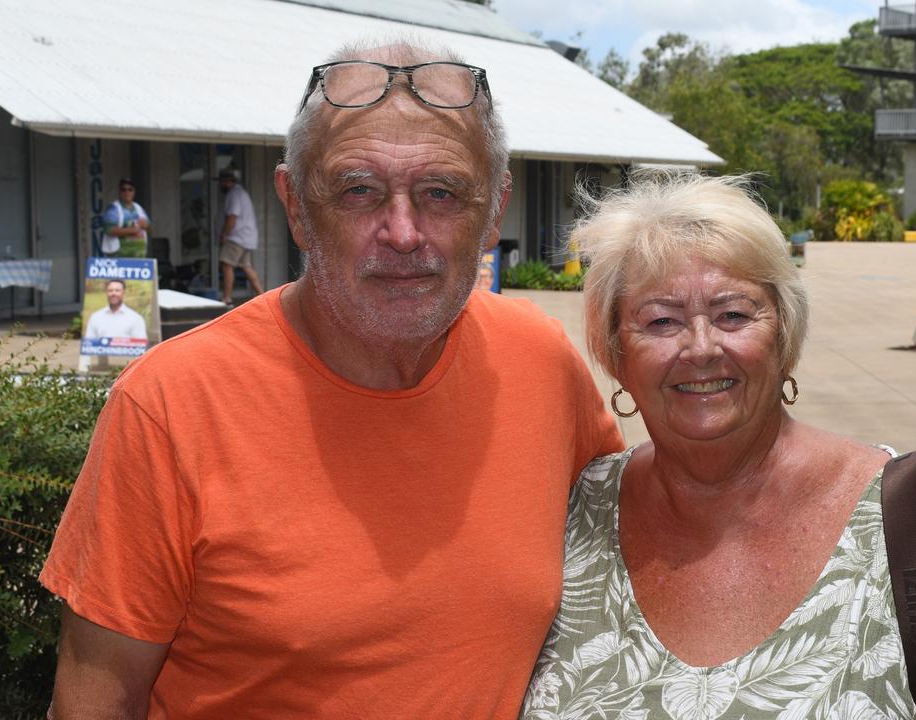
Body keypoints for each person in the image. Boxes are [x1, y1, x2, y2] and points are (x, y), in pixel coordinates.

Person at [41, 39, 623, 719]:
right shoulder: (172, 404)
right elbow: (93, 702)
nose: (403, 232)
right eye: (358, 191)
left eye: (441, 193)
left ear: (494, 209)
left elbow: (645, 547)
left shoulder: (540, 362)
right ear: (296, 205)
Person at [523, 173, 916, 719]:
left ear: (785, 334)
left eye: (733, 314)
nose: (701, 348)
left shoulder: (914, 517)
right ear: (615, 353)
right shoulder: (574, 510)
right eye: (661, 320)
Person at [217, 167, 265, 305]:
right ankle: (262, 294)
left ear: (228, 181)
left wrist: (225, 234)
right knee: (245, 265)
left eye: (222, 182)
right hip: (247, 237)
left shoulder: (234, 194)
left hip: (237, 237)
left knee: (227, 264)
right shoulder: (242, 193)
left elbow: (232, 217)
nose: (221, 185)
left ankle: (227, 298)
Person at [101, 178, 151, 258]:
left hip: (139, 258)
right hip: (119, 258)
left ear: (134, 192)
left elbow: (149, 228)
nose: (127, 192)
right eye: (123, 189)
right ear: (119, 192)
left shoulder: (139, 208)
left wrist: (146, 225)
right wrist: (131, 230)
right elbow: (108, 229)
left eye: (130, 189)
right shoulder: (113, 209)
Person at [83, 279, 147, 340]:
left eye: (117, 290)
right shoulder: (95, 317)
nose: (113, 293)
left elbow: (141, 347)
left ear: (123, 293)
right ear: (106, 293)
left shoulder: (136, 318)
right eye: (110, 290)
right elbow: (89, 344)